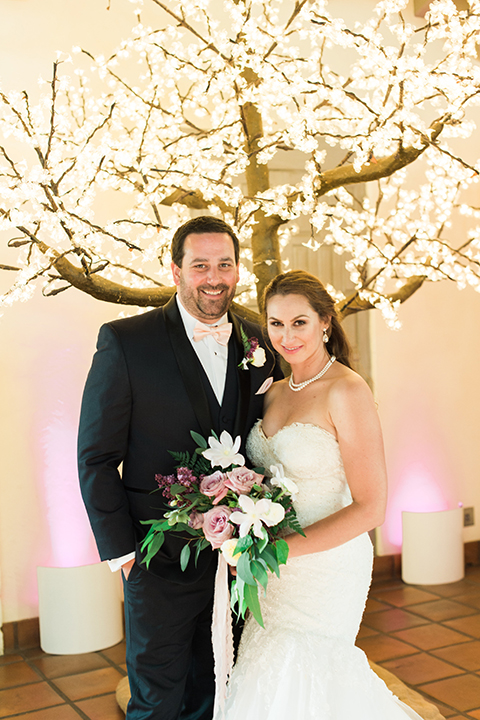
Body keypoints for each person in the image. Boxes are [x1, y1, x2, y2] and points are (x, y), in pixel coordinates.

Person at [77, 215, 282, 720]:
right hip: (155, 558)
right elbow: (96, 456)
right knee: (156, 700)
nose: (214, 277)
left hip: (237, 560)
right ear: (175, 271)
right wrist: (123, 553)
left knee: (218, 690)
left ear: (238, 271)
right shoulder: (126, 342)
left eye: (225, 264)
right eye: (200, 265)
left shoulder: (260, 342)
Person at [220, 270, 423, 720]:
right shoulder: (270, 393)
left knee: (309, 677)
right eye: (276, 324)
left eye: (300, 323)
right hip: (270, 566)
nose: (287, 336)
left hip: (325, 566)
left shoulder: (347, 390)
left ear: (325, 322)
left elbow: (372, 507)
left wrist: (282, 549)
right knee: (265, 674)